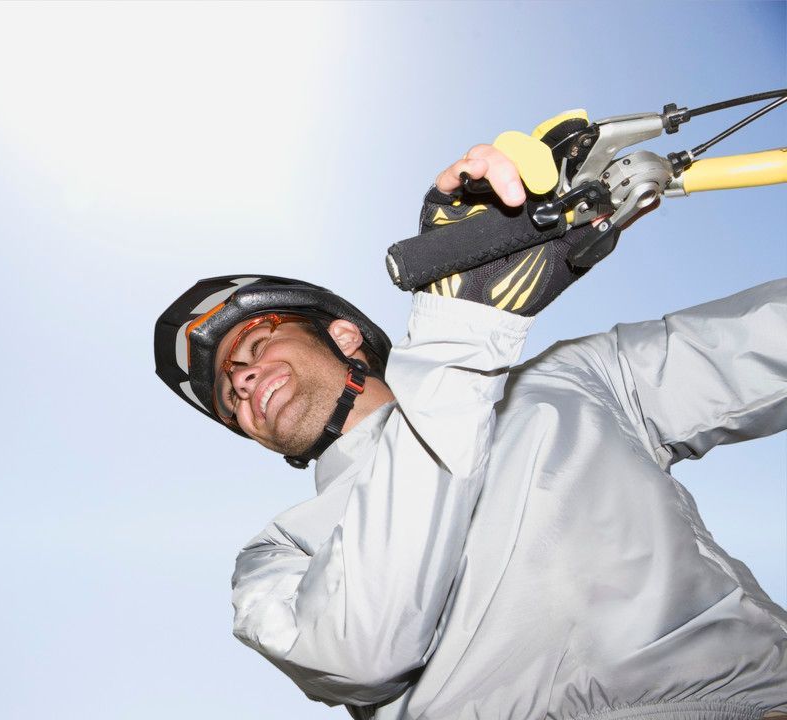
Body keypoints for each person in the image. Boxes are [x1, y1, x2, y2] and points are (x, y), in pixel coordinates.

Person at [153, 117, 787, 719]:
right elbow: (360, 652)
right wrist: (462, 331)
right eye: (228, 392)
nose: (241, 379)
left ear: (344, 336)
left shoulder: (574, 381)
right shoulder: (277, 553)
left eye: (258, 343)